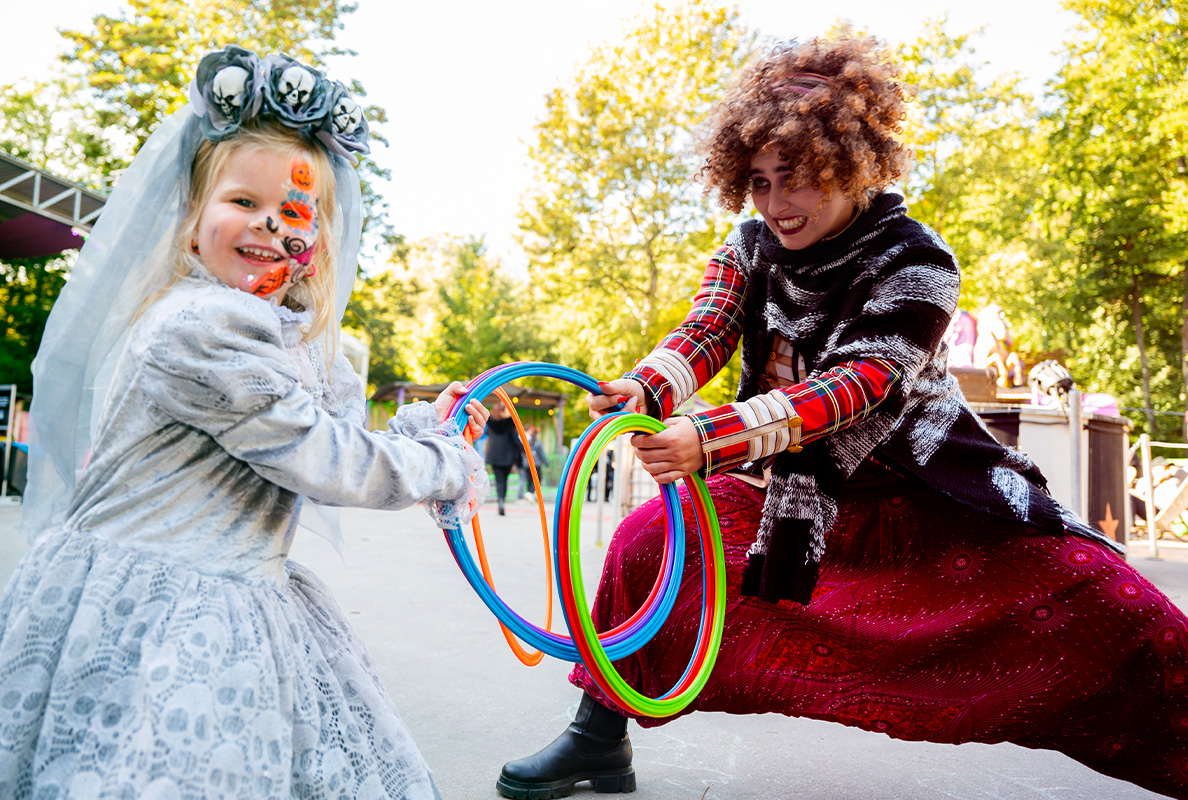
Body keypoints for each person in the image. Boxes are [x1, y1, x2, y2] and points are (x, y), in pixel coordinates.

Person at [497, 34, 1188, 800]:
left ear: (851, 165)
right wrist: (645, 391)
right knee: (646, 540)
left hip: (931, 503)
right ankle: (598, 738)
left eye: (792, 179)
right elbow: (706, 328)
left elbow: (853, 386)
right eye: (756, 181)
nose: (772, 203)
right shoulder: (748, 245)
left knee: (1117, 612)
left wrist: (709, 438)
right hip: (791, 494)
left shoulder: (918, 260)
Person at [0, 46, 490, 799]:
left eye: (295, 211)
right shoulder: (200, 326)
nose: (269, 225)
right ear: (193, 217)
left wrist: (429, 427)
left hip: (238, 583)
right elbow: (325, 460)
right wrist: (445, 462)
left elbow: (332, 434)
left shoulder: (278, 329)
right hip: (162, 607)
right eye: (242, 202)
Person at [485, 401, 524, 515]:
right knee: (504, 480)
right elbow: (516, 440)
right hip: (507, 456)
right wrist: (524, 451)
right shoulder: (510, 424)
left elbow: (488, 434)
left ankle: (500, 501)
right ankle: (502, 501)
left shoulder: (491, 424)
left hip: (494, 456)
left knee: (499, 481)